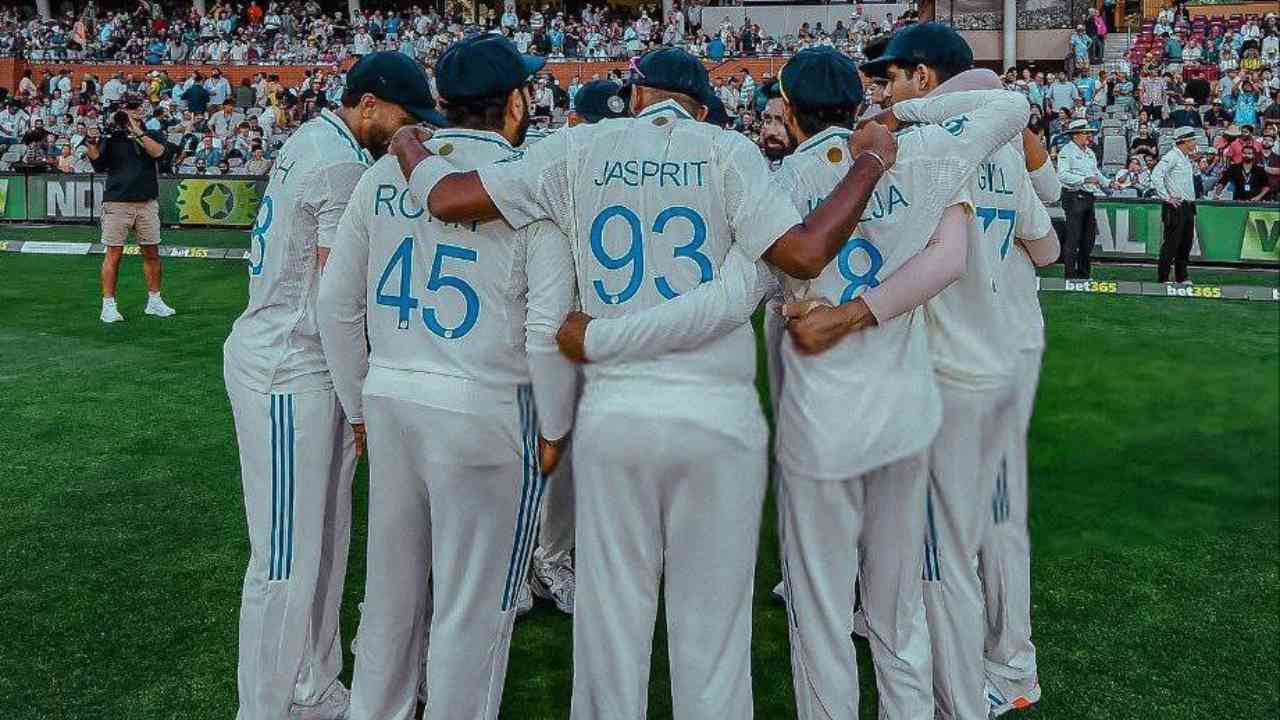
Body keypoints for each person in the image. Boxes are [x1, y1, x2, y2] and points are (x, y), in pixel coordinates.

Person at [393, 45, 900, 720]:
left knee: (611, 638)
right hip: (715, 414)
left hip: (617, 410)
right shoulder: (726, 151)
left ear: (637, 96)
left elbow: (447, 198)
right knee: (713, 638)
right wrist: (870, 159)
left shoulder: (578, 148)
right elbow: (804, 252)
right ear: (697, 106)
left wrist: (406, 142)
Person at [321, 36, 578, 720]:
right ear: (516, 101)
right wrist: (555, 427)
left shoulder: (382, 177)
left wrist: (358, 408)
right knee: (473, 608)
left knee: (391, 599)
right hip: (488, 404)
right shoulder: (531, 181)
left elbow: (334, 305)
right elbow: (548, 331)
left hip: (394, 396)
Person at [221, 51, 440, 720]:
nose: (415, 136)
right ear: (369, 104)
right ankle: (264, 708)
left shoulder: (316, 137)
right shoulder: (341, 160)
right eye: (407, 120)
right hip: (292, 370)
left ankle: (311, 685)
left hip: (298, 363)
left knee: (319, 544)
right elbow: (333, 303)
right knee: (285, 561)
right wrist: (360, 401)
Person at [864, 23, 1058, 720]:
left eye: (895, 77)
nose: (885, 90)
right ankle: (1011, 669)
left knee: (943, 549)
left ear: (925, 80)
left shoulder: (928, 147)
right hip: (998, 357)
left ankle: (959, 696)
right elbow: (1047, 247)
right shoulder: (1001, 153)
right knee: (997, 525)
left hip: (946, 368)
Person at [86, 101, 177, 323]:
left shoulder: (153, 133)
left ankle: (154, 301)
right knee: (113, 254)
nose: (133, 112)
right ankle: (108, 305)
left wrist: (136, 132)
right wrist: (91, 141)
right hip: (117, 203)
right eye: (128, 109)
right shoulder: (112, 138)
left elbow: (159, 154)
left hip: (146, 202)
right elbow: (98, 164)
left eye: (136, 108)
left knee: (151, 252)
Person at [1150, 127, 1200, 284]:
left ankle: (1181, 276)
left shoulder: (1184, 157)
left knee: (1186, 243)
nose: (1194, 142)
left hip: (1187, 205)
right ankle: (1163, 277)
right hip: (1176, 206)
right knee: (1172, 243)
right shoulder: (1172, 156)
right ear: (1184, 141)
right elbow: (1156, 175)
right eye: (1192, 140)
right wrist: (1166, 197)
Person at [1056, 119, 1105, 278]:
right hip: (1073, 196)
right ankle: (1070, 275)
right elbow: (1062, 175)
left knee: (1088, 238)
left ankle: (1084, 274)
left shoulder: (1090, 153)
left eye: (1089, 133)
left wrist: (1111, 183)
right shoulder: (1066, 151)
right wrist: (1084, 179)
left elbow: (1096, 174)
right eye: (1085, 133)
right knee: (1074, 237)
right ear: (1075, 135)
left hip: (1088, 196)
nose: (1089, 136)